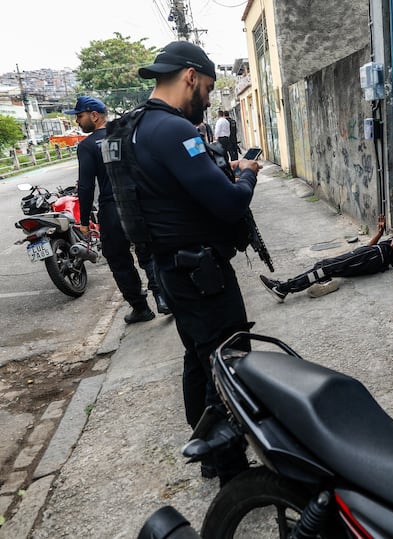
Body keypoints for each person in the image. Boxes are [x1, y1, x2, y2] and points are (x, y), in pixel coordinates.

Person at [103, 41, 263, 485]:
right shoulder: (174, 131)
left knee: (198, 359)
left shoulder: (133, 127)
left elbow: (170, 192)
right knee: (228, 361)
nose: (210, 98)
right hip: (200, 272)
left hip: (167, 269)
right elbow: (229, 204)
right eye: (209, 87)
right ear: (190, 76)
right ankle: (233, 473)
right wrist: (247, 175)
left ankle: (210, 455)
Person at [66, 96, 169, 323]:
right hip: (138, 202)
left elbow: (85, 186)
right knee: (147, 251)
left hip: (112, 208)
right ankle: (163, 297)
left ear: (94, 115)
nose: (78, 122)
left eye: (80, 116)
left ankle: (141, 308)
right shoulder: (125, 134)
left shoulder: (86, 146)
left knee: (119, 259)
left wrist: (84, 221)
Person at [260, 214, 393, 302]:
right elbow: (374, 246)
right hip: (370, 254)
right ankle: (314, 282)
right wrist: (379, 233)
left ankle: (282, 289)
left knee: (325, 266)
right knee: (322, 266)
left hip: (374, 258)